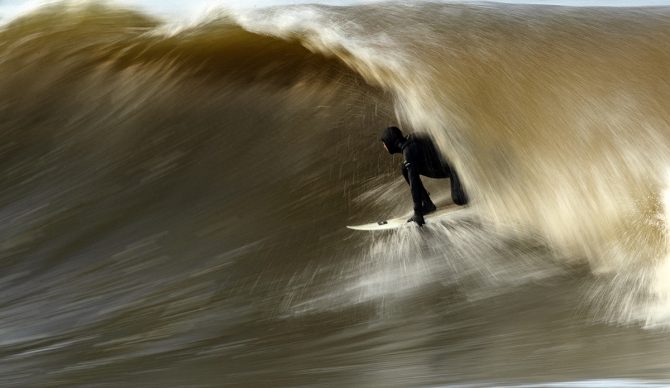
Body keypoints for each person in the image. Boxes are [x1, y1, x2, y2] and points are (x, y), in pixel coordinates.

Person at [381, 126, 468, 226]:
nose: (384, 146)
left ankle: (479, 196)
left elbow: (414, 183)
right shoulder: (412, 139)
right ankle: (427, 204)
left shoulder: (408, 151)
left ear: (389, 143)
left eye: (384, 143)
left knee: (459, 199)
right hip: (451, 164)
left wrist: (417, 213)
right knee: (405, 167)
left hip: (457, 167)